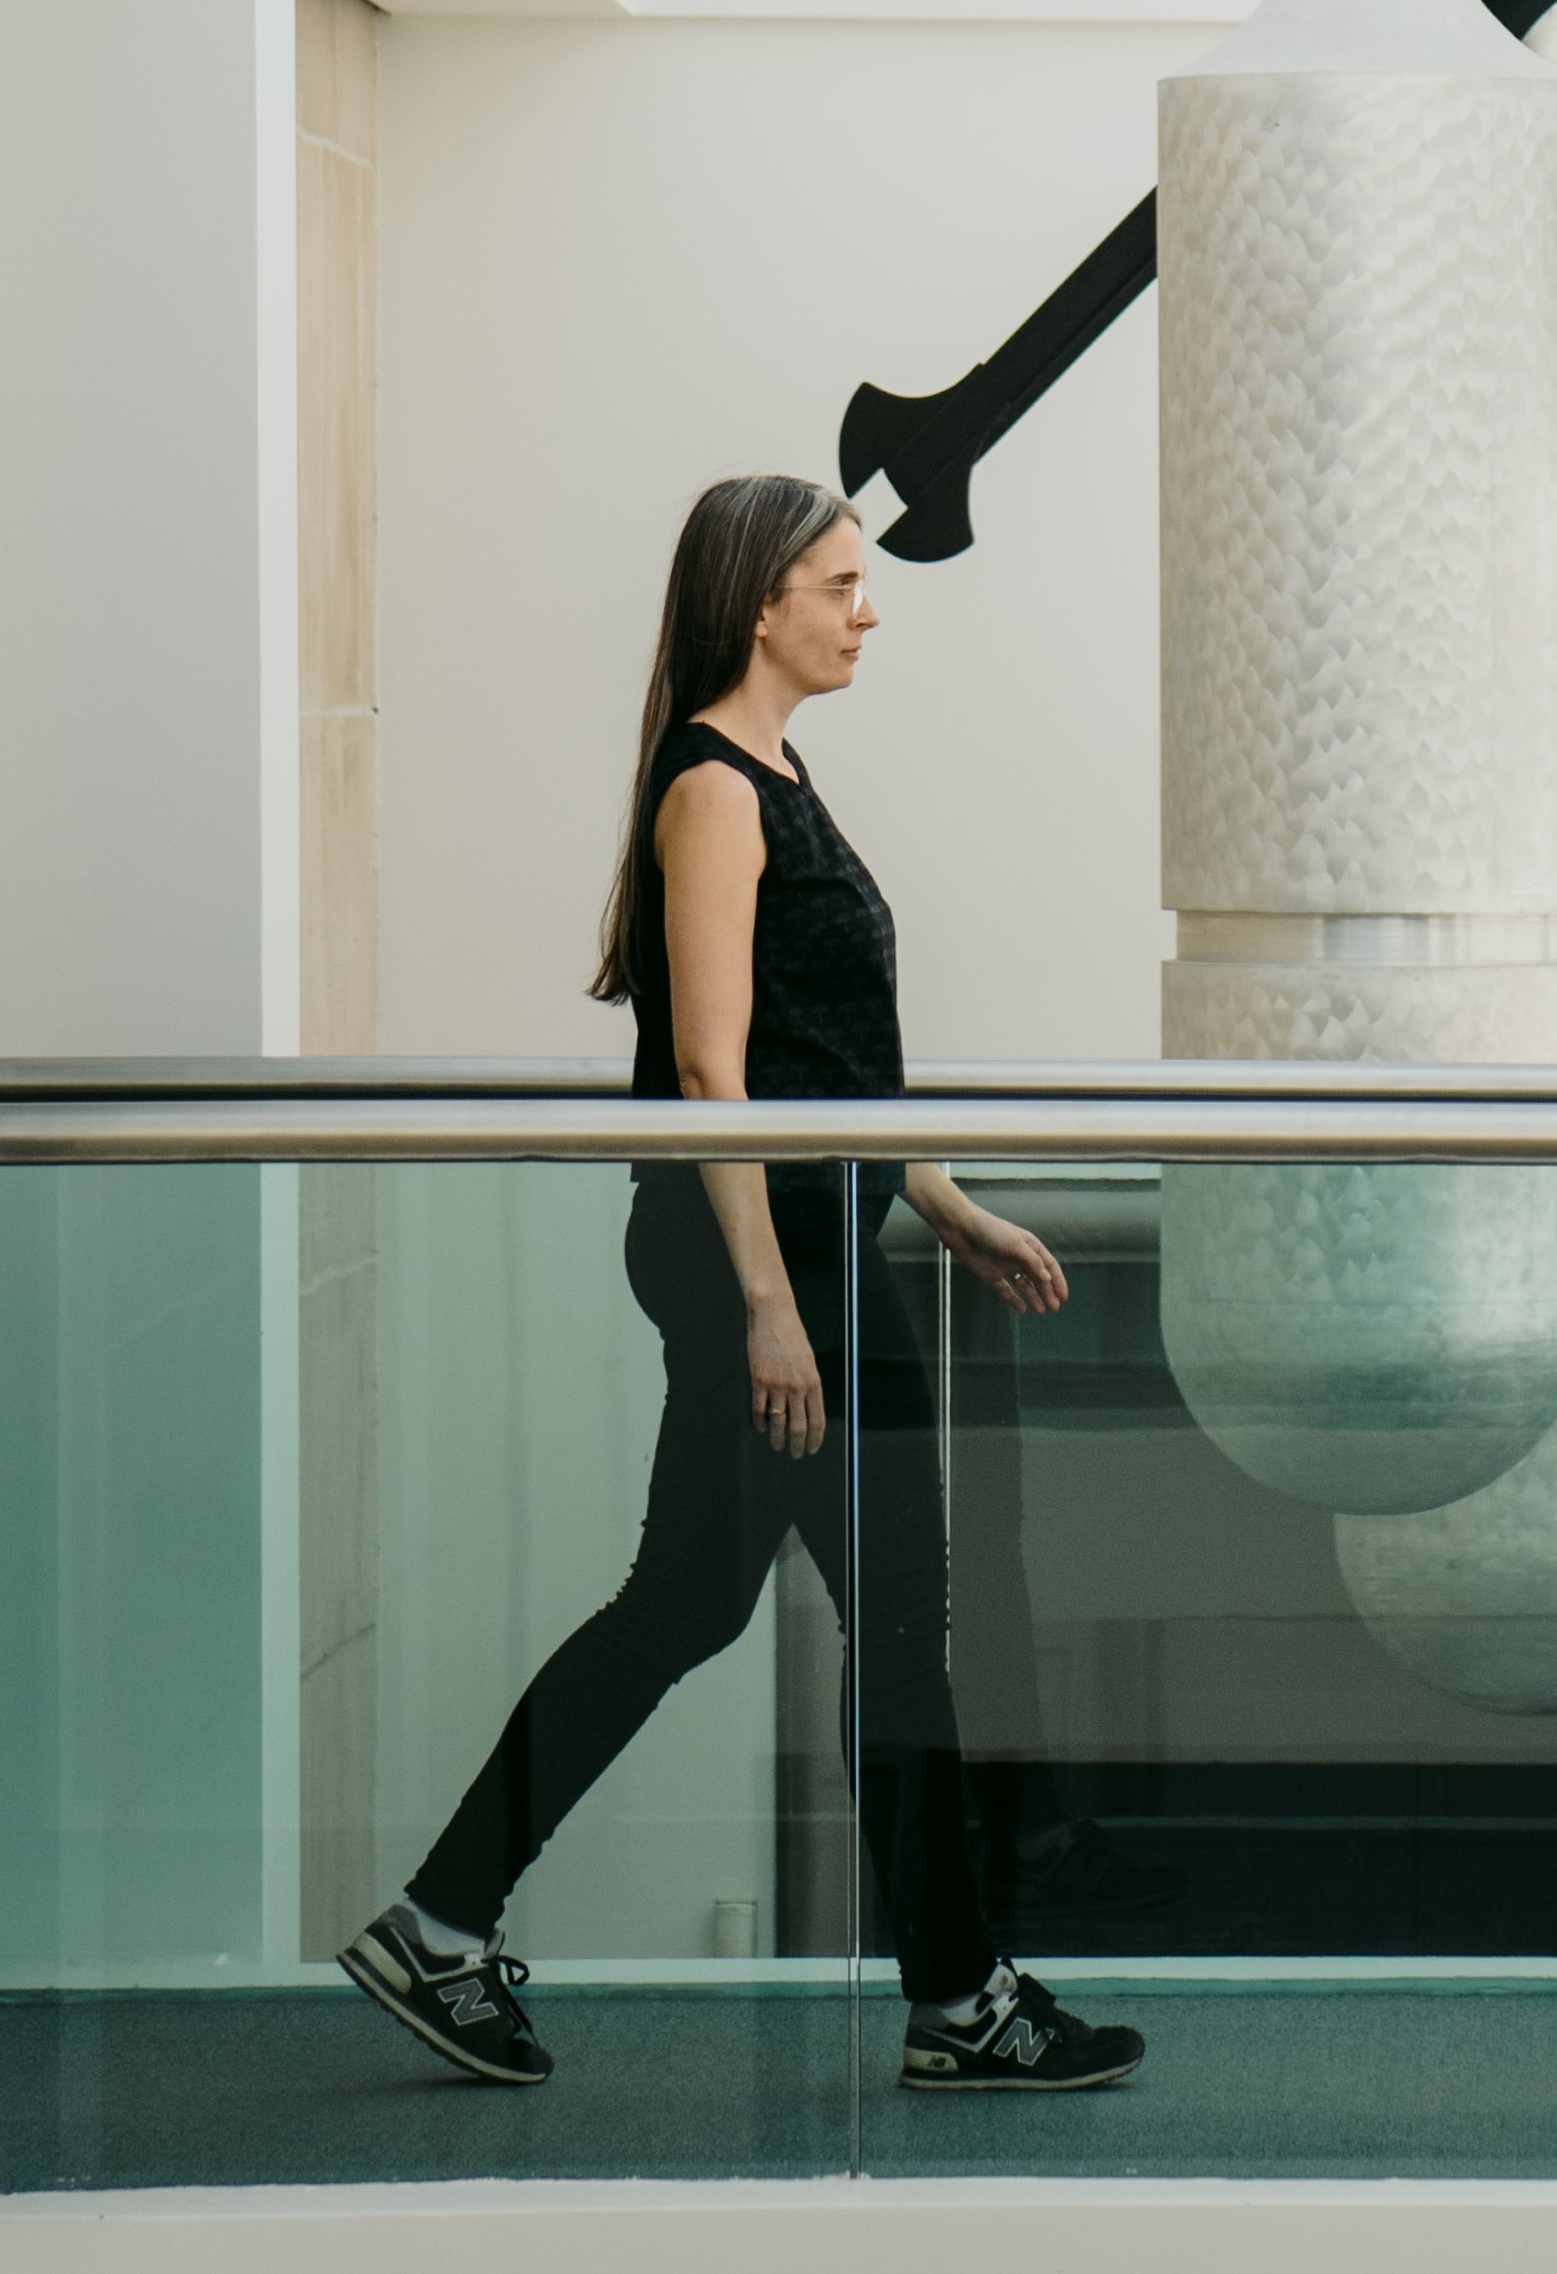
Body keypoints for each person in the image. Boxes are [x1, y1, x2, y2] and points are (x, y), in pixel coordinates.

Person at [338, 473, 1145, 2098]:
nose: (866, 612)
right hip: (764, 1263)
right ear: (757, 602)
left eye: (864, 588)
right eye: (841, 587)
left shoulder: (779, 769)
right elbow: (711, 1073)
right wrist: (775, 1307)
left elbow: (816, 1065)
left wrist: (948, 1202)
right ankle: (959, 2000)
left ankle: (440, 1921)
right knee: (899, 1614)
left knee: (689, 1604)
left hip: (812, 1239)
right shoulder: (712, 790)